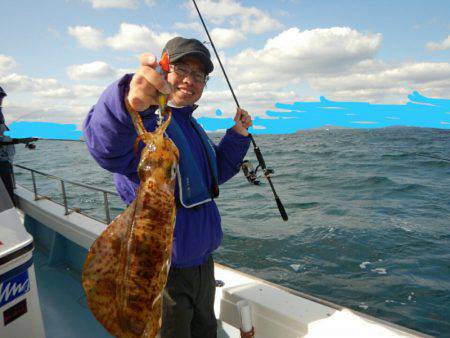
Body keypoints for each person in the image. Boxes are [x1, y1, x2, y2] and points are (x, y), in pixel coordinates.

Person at [82, 37, 253, 337]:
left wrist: (238, 135)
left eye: (199, 74)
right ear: (163, 71)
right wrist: (130, 101)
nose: (190, 79)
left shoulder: (190, 125)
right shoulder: (145, 123)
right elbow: (107, 148)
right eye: (181, 68)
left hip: (203, 267)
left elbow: (212, 177)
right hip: (162, 274)